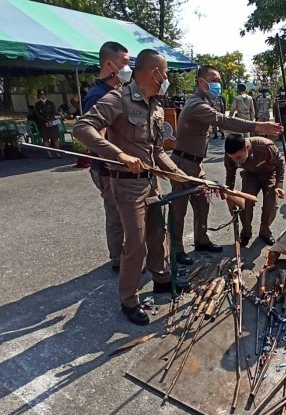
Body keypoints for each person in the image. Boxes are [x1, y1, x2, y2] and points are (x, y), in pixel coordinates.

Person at [73, 49, 184, 326]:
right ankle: (129, 299)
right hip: (126, 186)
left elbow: (157, 152)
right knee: (136, 245)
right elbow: (82, 128)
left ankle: (161, 278)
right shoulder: (117, 98)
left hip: (150, 182)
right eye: (166, 73)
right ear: (154, 73)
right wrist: (118, 155)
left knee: (158, 234)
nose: (167, 78)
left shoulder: (156, 106)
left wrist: (179, 175)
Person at [170, 64, 283, 266]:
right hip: (183, 162)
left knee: (202, 203)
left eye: (218, 80)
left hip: (196, 163)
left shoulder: (206, 101)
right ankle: (177, 249)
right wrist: (258, 125)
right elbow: (223, 121)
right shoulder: (196, 104)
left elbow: (279, 163)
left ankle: (201, 240)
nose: (217, 84)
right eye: (213, 79)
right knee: (179, 209)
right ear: (201, 81)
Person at [83, 41, 132, 273]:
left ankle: (124, 254)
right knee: (116, 215)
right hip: (106, 168)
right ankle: (118, 260)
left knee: (124, 215)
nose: (128, 67)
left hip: (119, 167)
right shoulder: (98, 96)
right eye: (125, 63)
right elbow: (97, 137)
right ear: (109, 64)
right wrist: (118, 157)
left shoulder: (116, 92)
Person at [224, 134, 285, 247]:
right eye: (233, 158)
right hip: (250, 175)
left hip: (269, 174)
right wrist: (230, 196)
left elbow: (280, 164)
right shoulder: (230, 155)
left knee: (271, 204)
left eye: (238, 158)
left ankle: (265, 231)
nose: (236, 161)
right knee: (245, 203)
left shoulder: (266, 146)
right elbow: (230, 176)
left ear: (246, 147)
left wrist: (279, 186)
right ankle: (246, 232)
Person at [33, 89, 62, 158]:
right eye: (41, 95)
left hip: (52, 122)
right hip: (43, 123)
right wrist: (46, 120)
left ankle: (58, 153)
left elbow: (54, 112)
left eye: (44, 95)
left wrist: (51, 120)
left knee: (55, 138)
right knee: (45, 139)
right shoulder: (37, 105)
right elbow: (37, 114)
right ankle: (49, 153)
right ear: (39, 96)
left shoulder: (51, 103)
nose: (43, 96)